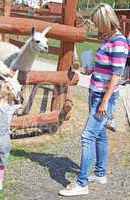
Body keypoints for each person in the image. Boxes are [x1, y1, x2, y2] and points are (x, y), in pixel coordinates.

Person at [59, 3, 129, 197]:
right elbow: (106, 68)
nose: (97, 27)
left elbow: (117, 75)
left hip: (103, 97)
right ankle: (100, 173)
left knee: (87, 136)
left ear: (106, 21)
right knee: (100, 135)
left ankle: (82, 184)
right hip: (95, 92)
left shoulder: (119, 43)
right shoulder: (109, 39)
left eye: (99, 23)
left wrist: (106, 102)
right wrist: (91, 70)